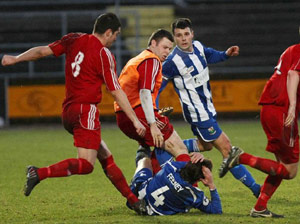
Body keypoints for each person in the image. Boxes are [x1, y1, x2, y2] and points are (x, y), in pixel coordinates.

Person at [1, 12, 147, 214]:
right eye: (116, 35)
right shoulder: (104, 54)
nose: (115, 39)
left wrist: (16, 58)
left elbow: (42, 51)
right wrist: (135, 120)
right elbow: (115, 91)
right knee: (87, 165)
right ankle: (39, 173)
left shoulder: (73, 39)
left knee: (105, 157)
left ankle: (133, 201)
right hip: (85, 111)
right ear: (108, 32)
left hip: (68, 111)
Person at [155, 18, 261, 197]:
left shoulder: (197, 46)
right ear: (174, 38)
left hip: (207, 109)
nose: (183, 39)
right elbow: (157, 88)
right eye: (179, 36)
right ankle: (257, 189)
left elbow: (210, 54)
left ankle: (168, 146)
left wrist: (226, 54)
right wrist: (154, 110)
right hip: (198, 114)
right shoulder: (172, 62)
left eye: (186, 34)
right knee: (228, 150)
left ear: (192, 34)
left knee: (206, 146)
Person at [219, 42, 300, 218]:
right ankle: (241, 157)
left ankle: (260, 207)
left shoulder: (292, 49)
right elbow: (293, 74)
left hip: (271, 108)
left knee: (281, 165)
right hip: (282, 111)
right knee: (290, 171)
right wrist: (293, 106)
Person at [114, 29, 191, 165]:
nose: (167, 52)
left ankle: (145, 182)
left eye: (170, 49)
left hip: (123, 116)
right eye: (165, 47)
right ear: (153, 43)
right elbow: (144, 93)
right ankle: (189, 185)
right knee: (180, 150)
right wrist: (153, 124)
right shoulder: (152, 60)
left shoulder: (137, 59)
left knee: (159, 150)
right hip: (139, 114)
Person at [127, 150, 222, 215]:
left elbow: (186, 165)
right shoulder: (193, 195)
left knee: (145, 160)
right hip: (150, 212)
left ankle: (142, 149)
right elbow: (217, 210)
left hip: (138, 193)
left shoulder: (170, 167)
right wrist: (211, 184)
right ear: (200, 179)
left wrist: (195, 161)